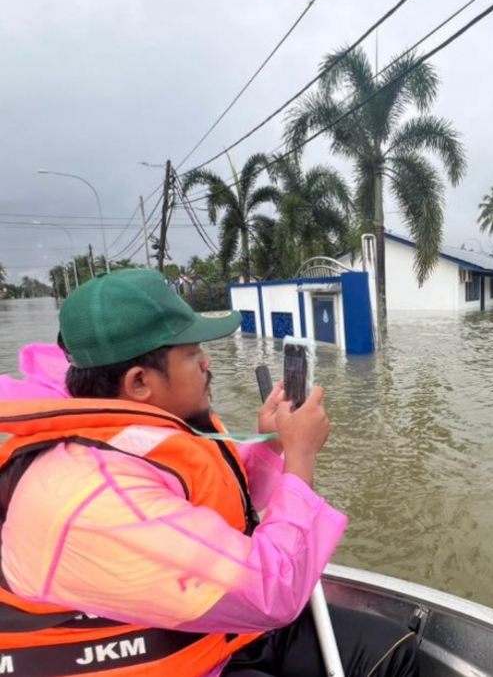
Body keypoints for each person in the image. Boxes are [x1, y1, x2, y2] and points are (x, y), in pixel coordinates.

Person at [0, 269, 418, 677]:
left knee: (393, 649)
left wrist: (271, 447)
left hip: (209, 632)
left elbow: (221, 512)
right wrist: (300, 457)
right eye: (192, 354)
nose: (207, 363)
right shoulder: (95, 497)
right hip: (177, 657)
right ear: (140, 381)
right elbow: (273, 592)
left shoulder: (145, 428)